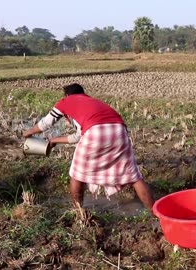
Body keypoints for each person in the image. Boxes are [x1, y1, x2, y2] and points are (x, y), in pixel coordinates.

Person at [23, 83, 154, 210]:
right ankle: (155, 211)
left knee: (77, 174)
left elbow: (45, 123)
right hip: (119, 130)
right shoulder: (91, 102)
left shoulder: (65, 102)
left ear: (67, 95)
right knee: (133, 176)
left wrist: (28, 132)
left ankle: (78, 210)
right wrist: (55, 140)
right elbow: (80, 135)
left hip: (95, 131)